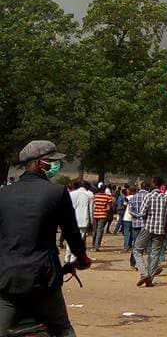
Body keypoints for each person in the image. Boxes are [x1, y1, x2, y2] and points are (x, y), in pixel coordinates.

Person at [0, 141, 92, 337]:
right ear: (41, 164)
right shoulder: (56, 192)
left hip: (6, 277)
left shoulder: (3, 193)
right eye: (52, 161)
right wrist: (82, 258)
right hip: (42, 277)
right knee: (63, 328)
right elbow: (71, 232)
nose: (54, 166)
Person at [134, 176, 167, 287]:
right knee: (155, 253)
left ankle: (144, 273)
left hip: (148, 226)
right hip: (160, 229)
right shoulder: (166, 198)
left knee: (137, 250)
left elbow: (142, 212)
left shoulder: (149, 196)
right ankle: (149, 277)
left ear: (153, 184)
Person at [65, 181, 93, 264]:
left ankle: (67, 258)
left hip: (71, 219)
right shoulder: (89, 195)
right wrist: (91, 222)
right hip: (83, 220)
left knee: (69, 239)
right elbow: (91, 210)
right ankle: (74, 259)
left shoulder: (71, 194)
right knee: (79, 240)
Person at [127, 182, 149, 268]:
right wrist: (143, 216)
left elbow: (130, 210)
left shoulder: (134, 197)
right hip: (146, 224)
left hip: (136, 224)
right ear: (147, 188)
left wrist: (138, 215)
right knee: (147, 245)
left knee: (135, 243)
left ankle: (133, 262)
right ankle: (144, 264)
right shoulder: (149, 197)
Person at [91, 184, 114, 251]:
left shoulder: (95, 195)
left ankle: (93, 244)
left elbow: (93, 205)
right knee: (100, 231)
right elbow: (109, 207)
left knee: (94, 230)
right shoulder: (108, 197)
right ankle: (97, 246)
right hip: (103, 215)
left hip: (95, 214)